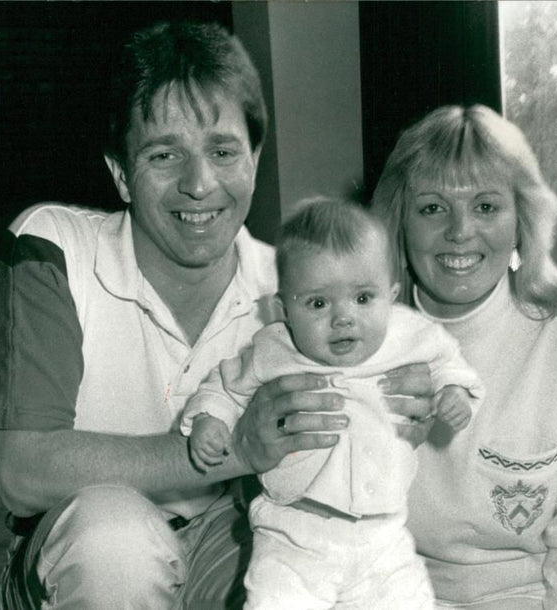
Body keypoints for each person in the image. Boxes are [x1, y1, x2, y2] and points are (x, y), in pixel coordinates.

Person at [0, 22, 431, 608]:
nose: (199, 184)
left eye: (223, 151)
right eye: (164, 154)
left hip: (232, 534)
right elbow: (21, 470)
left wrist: (403, 402)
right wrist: (237, 447)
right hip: (79, 557)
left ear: (256, 159)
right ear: (120, 173)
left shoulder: (290, 286)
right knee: (114, 544)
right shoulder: (53, 248)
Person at [370, 104, 557, 609]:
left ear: (523, 219)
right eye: (432, 207)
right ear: (398, 224)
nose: (459, 231)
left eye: (486, 206)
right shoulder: (351, 343)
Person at [182, 198, 484, 609]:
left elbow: (450, 362)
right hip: (294, 535)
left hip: (383, 540)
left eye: (363, 298)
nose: (343, 318)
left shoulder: (410, 335)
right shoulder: (274, 348)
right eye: (318, 303)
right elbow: (224, 387)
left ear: (391, 295)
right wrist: (207, 420)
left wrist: (454, 393)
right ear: (284, 308)